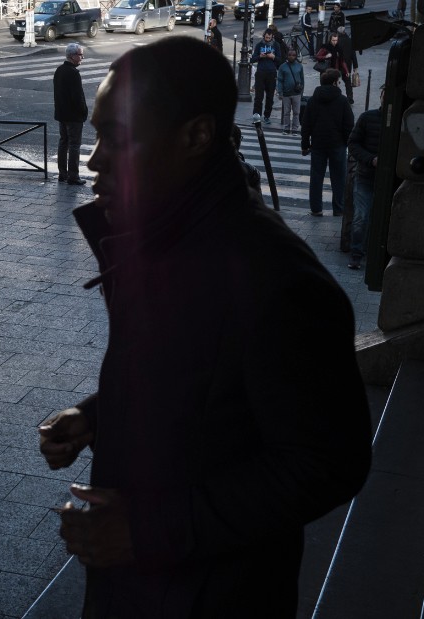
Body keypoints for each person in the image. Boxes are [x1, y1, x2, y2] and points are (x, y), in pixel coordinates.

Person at [37, 36, 372, 617]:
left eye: (116, 137)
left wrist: (147, 531)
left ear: (196, 135)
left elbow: (326, 462)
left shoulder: (275, 279)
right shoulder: (164, 239)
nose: (93, 160)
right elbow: (195, 371)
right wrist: (98, 414)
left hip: (211, 594)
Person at [301, 68, 354, 217]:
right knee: (339, 178)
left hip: (318, 144)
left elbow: (306, 125)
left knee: (316, 177)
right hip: (337, 145)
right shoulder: (342, 101)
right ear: (334, 82)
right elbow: (349, 125)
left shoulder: (313, 100)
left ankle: (316, 208)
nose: (340, 84)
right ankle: (339, 208)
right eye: (338, 81)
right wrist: (347, 143)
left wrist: (305, 145)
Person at [347, 85, 384, 270]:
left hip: (386, 179)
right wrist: (371, 160)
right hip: (366, 175)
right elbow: (353, 143)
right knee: (361, 216)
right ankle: (356, 254)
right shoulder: (368, 118)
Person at [53, 43, 89, 186]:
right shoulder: (73, 73)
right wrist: (84, 112)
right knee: (74, 145)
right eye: (80, 55)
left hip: (62, 114)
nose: (82, 57)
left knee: (63, 143)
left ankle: (63, 174)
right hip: (73, 116)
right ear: (72, 56)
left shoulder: (59, 70)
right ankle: (73, 176)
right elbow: (78, 97)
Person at [250, 29, 283, 125]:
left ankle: (267, 116)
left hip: (271, 73)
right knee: (258, 97)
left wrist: (273, 57)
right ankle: (257, 116)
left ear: (272, 36)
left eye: (269, 38)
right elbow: (252, 59)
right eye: (266, 37)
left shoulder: (276, 45)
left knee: (270, 96)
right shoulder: (259, 45)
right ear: (264, 36)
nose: (267, 39)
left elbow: (280, 60)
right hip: (260, 72)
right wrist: (260, 56)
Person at [315, 32, 352, 104]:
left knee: (336, 87)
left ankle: (339, 101)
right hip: (326, 71)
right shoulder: (325, 47)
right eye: (333, 40)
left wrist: (346, 71)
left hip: (335, 71)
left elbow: (342, 61)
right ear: (330, 40)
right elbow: (317, 56)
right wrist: (325, 57)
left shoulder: (339, 48)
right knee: (325, 87)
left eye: (336, 40)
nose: (335, 42)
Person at [277, 47, 305, 135]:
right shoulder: (282, 67)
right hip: (286, 93)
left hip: (296, 93)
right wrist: (280, 92)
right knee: (286, 112)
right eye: (289, 55)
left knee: (296, 112)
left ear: (296, 56)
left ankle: (295, 129)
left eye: (293, 55)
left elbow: (302, 79)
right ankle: (286, 128)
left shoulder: (299, 66)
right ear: (287, 56)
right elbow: (280, 80)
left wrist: (301, 92)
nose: (291, 57)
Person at [336, 26, 358, 104]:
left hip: (338, 64)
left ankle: (336, 97)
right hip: (348, 64)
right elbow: (353, 54)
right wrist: (356, 66)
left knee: (336, 80)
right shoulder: (350, 40)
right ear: (344, 32)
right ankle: (350, 97)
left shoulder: (337, 41)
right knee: (347, 81)